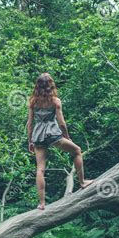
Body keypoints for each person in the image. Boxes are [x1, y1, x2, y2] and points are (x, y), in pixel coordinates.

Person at [27, 73, 93, 210]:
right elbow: (61, 123)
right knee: (77, 151)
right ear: (51, 85)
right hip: (52, 134)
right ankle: (82, 182)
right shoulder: (55, 101)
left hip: (38, 136)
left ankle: (42, 203)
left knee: (40, 169)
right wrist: (67, 137)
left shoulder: (33, 101)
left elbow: (30, 124)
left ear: (37, 85)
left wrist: (30, 141)